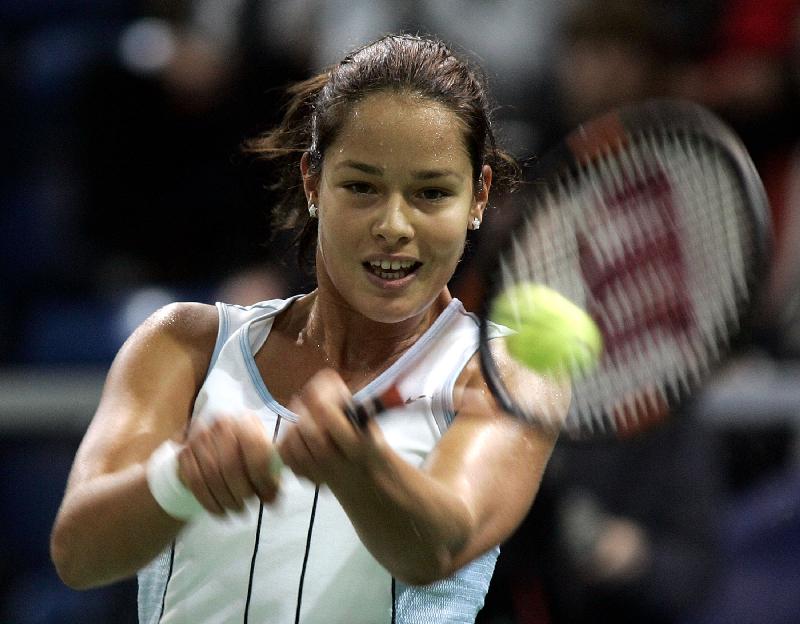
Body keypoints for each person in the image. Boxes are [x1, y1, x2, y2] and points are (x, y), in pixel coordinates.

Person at [49, 34, 566, 623]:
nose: (395, 225)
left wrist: (359, 466)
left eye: (431, 193)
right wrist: (180, 480)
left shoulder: (507, 372)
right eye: (362, 187)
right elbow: (77, 553)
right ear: (313, 182)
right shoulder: (184, 344)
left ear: (478, 198)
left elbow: (441, 545)